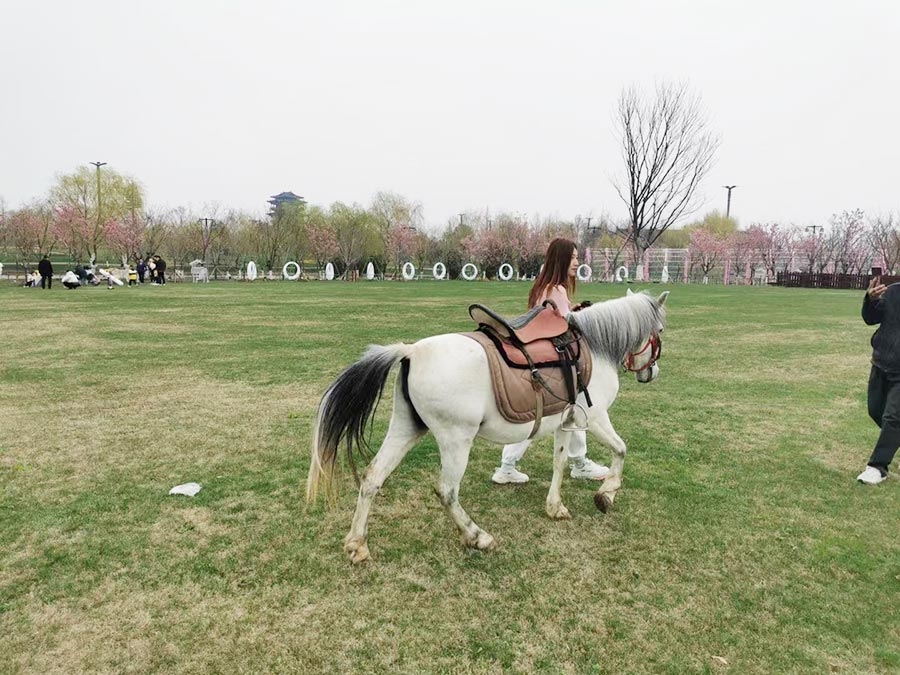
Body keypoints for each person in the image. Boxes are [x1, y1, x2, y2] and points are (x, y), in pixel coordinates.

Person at [491, 237, 610, 484]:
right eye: (574, 257)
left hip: (541, 354)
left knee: (556, 411)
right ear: (562, 259)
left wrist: (572, 309)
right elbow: (565, 324)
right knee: (566, 408)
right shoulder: (557, 288)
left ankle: (508, 465)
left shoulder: (543, 286)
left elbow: (552, 316)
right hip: (556, 360)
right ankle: (578, 463)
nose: (577, 262)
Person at [857, 274, 900, 484]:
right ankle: (893, 438)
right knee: (876, 411)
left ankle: (877, 467)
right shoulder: (893, 292)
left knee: (893, 417)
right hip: (882, 363)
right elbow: (870, 318)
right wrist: (871, 300)